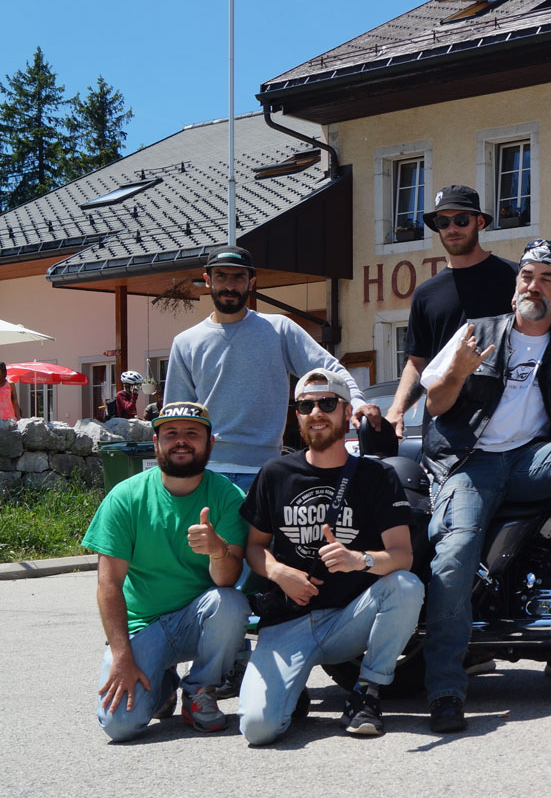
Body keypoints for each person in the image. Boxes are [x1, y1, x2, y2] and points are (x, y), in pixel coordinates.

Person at [419, 239, 551, 733]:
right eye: (526, 275)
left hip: (530, 460)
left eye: (546, 279)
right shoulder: (477, 332)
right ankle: (446, 688)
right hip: (471, 462)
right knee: (455, 556)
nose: (532, 285)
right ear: (515, 283)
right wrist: (457, 371)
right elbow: (434, 403)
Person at [238, 371, 422, 743]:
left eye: (327, 403)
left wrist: (360, 560)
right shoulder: (275, 473)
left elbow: (402, 556)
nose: (316, 412)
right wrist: (278, 572)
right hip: (288, 621)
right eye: (306, 405)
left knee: (405, 586)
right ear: (297, 416)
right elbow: (254, 548)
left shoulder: (377, 475)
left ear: (347, 411)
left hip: (348, 621)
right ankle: (292, 688)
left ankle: (366, 691)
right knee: (258, 729)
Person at [82, 401, 251, 740]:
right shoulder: (125, 498)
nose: (181, 441)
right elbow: (109, 585)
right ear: (156, 443)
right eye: (170, 433)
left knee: (230, 603)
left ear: (210, 443)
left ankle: (199, 690)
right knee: (119, 725)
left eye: (192, 433)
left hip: (198, 621)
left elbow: (227, 580)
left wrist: (218, 551)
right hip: (143, 626)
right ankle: (163, 685)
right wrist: (121, 656)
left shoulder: (228, 496)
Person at [164, 245, 378, 493]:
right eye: (221, 276)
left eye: (238, 277)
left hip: (265, 473)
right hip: (207, 474)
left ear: (252, 281)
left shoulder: (279, 329)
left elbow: (330, 370)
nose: (230, 286)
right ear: (207, 280)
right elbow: (174, 416)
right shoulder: (186, 342)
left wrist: (359, 401)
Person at [385, 184, 517, 439]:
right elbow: (416, 362)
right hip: (445, 429)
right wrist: (396, 410)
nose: (452, 229)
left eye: (461, 220)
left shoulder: (514, 277)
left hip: (508, 422)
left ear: (479, 222)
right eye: (443, 223)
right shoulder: (425, 294)